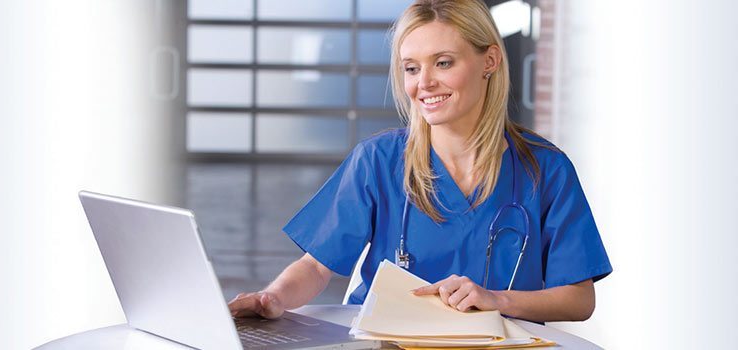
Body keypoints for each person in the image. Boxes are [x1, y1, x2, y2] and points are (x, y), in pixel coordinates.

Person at [229, 0, 612, 323]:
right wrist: (274, 297)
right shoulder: (378, 161)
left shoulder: (545, 169)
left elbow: (579, 298)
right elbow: (316, 267)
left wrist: (497, 300)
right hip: (388, 341)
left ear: (490, 61)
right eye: (412, 68)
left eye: (443, 63)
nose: (423, 83)